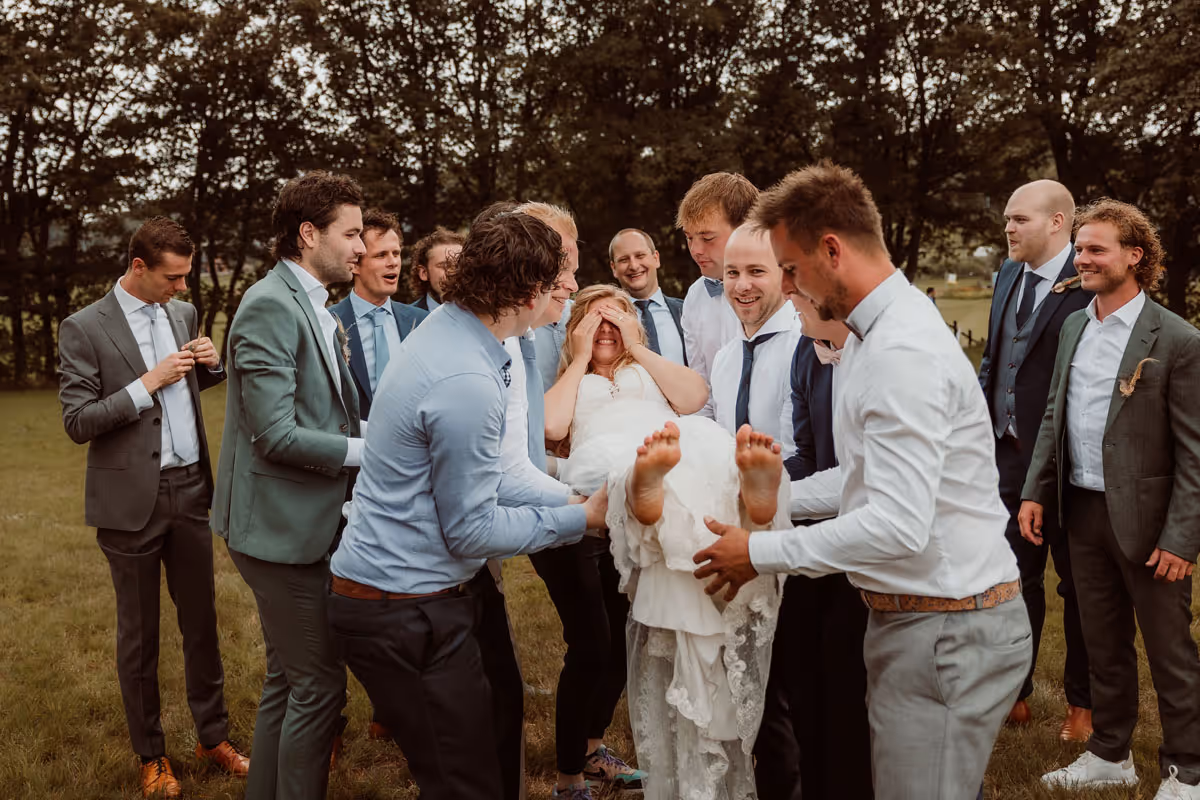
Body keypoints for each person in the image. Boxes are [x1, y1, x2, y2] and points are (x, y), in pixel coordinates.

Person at [693, 162, 1031, 800]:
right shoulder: (879, 334)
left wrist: (760, 552)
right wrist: (774, 500)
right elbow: (863, 476)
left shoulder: (899, 352)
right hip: (922, 621)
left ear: (831, 250)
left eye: (789, 268)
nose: (785, 287)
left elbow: (898, 526)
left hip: (945, 629)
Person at [327, 212, 608, 800]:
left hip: (426, 594)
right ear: (529, 295)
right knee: (464, 784)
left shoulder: (459, 331)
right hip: (402, 606)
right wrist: (579, 519)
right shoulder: (465, 377)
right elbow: (472, 529)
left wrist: (574, 498)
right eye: (556, 283)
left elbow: (502, 471)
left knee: (488, 747)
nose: (564, 293)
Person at [546, 284, 789, 800]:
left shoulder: (647, 368)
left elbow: (694, 398)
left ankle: (745, 505)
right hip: (607, 465)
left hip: (669, 449)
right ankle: (646, 494)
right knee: (627, 468)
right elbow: (552, 426)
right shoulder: (572, 379)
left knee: (703, 446)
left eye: (617, 319)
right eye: (595, 321)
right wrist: (581, 354)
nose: (607, 328)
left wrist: (637, 345)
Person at [58, 217, 248, 798]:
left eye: (186, 276)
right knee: (140, 636)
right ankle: (152, 756)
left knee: (202, 623)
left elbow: (186, 390)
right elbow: (78, 421)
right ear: (138, 267)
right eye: (173, 277)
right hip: (129, 502)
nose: (183, 287)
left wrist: (210, 365)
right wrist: (148, 382)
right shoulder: (83, 327)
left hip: (190, 490)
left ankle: (212, 736)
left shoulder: (182, 314)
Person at [1022, 199, 1200, 798]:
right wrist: (1036, 490)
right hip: (1082, 511)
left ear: (1134, 256)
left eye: (1096, 249)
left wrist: (1181, 539)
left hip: (1150, 523)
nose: (1083, 258)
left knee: (1171, 653)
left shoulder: (1177, 339)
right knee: (1103, 644)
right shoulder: (1074, 325)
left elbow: (1196, 453)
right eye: (1080, 248)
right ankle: (1109, 754)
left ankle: (1187, 771)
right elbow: (1055, 414)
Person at [211, 171, 366, 800]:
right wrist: (370, 452)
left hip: (303, 522)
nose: (362, 247)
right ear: (309, 234)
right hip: (276, 530)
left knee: (289, 678)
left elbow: (330, 413)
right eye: (350, 234)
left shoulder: (313, 304)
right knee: (319, 685)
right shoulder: (270, 304)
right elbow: (273, 434)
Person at [978, 179, 1093, 737]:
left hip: (1070, 462)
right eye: (1007, 218)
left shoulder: (1090, 279)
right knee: (1013, 578)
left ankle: (1082, 705)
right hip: (1005, 455)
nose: (1008, 228)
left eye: (1019, 219)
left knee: (1078, 585)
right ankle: (1015, 692)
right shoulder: (1007, 273)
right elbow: (994, 358)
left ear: (1056, 222)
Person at [776, 291, 873, 800]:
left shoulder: (881, 358)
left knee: (856, 696)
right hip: (818, 540)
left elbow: (859, 478)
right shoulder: (806, 350)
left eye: (795, 281)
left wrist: (768, 499)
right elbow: (807, 451)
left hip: (876, 551)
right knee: (811, 686)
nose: (787, 294)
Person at [709, 224, 802, 459]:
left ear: (784, 275)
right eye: (732, 273)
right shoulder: (723, 359)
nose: (742, 286)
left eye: (756, 271)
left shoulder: (807, 349)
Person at [329, 209, 428, 421]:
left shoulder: (422, 322)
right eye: (381, 255)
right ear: (355, 264)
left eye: (396, 253)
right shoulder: (328, 323)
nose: (393, 262)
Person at [676, 172, 759, 386]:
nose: (695, 250)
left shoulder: (785, 291)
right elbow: (700, 379)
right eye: (689, 238)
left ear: (745, 229)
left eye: (707, 238)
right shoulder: (694, 297)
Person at [609, 228, 687, 366]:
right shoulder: (607, 319)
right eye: (624, 260)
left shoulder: (687, 311)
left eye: (640, 256)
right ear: (613, 268)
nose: (634, 266)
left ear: (656, 258)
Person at [408, 226, 463, 311]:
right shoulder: (407, 317)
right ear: (423, 273)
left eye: (460, 265)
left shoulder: (481, 314)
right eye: (445, 265)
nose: (453, 272)